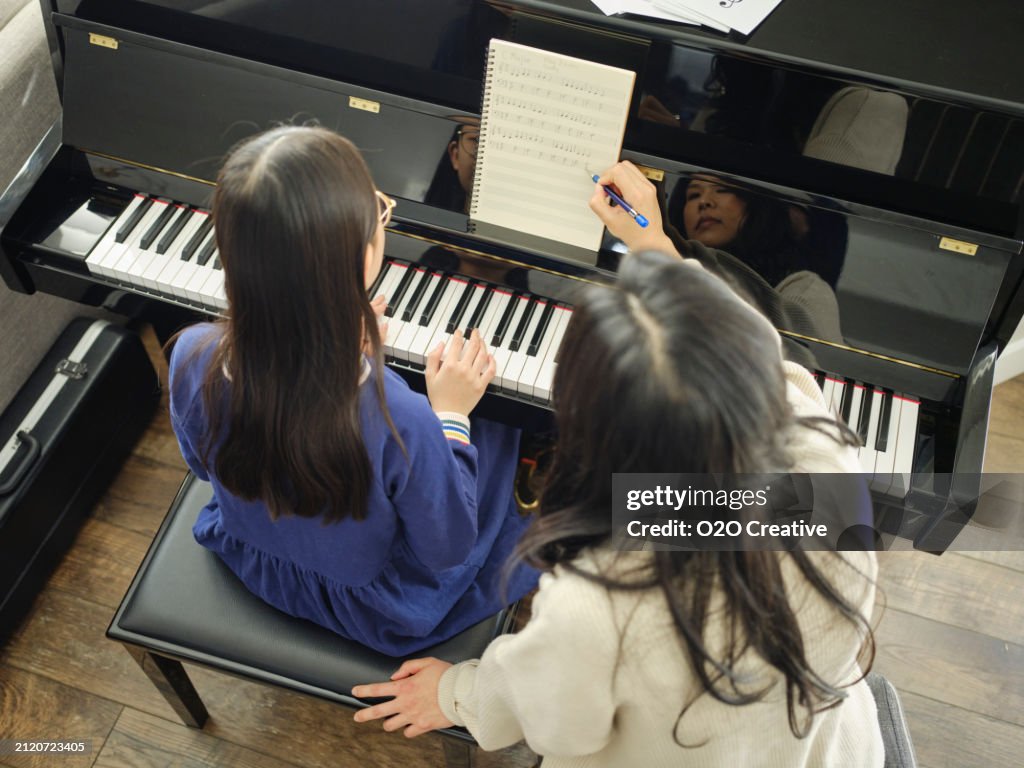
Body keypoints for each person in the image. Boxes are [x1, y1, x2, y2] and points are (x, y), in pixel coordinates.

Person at [350, 163, 883, 766]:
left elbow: (555, 725)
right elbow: (759, 351)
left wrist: (456, 694)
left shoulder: (600, 593)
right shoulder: (825, 454)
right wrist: (652, 241)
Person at [167, 125, 538, 656]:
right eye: (379, 209)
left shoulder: (192, 355)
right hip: (374, 605)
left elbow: (205, 468)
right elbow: (446, 548)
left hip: (254, 554)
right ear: (366, 260)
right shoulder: (401, 416)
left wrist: (349, 348)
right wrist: (450, 415)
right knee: (500, 424)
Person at [666, 172, 847, 344]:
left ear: (754, 203)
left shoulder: (805, 287)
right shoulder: (664, 272)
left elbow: (807, 361)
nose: (704, 202)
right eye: (693, 195)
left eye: (722, 190)